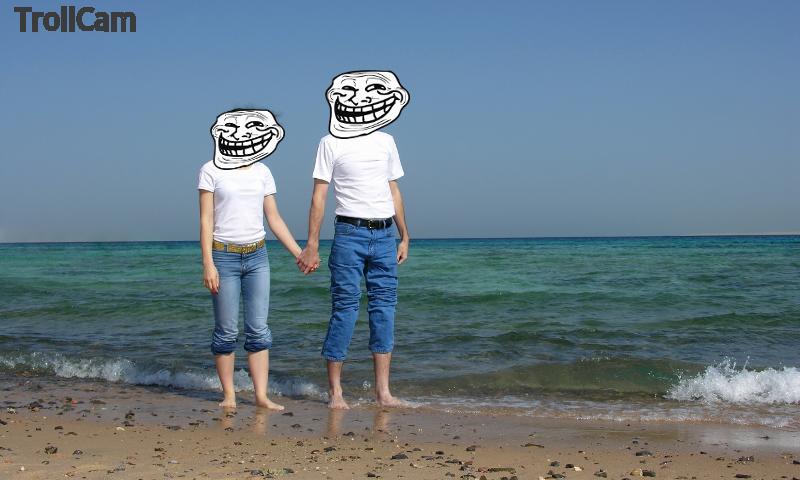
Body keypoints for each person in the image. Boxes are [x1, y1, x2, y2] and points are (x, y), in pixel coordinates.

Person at [297, 70, 411, 409]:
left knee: (384, 309)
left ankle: (383, 392)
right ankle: (336, 392)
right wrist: (312, 244)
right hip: (349, 234)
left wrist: (405, 235)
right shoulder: (329, 143)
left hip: (385, 234)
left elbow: (394, 190)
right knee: (345, 309)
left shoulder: (386, 141)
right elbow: (319, 195)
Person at [198, 108, 301, 410]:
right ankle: (229, 396)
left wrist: (299, 253)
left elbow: (274, 218)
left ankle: (261, 396)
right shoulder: (210, 169)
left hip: (258, 256)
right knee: (226, 331)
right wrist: (208, 263)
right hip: (224, 256)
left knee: (258, 329)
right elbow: (206, 220)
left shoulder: (263, 171)